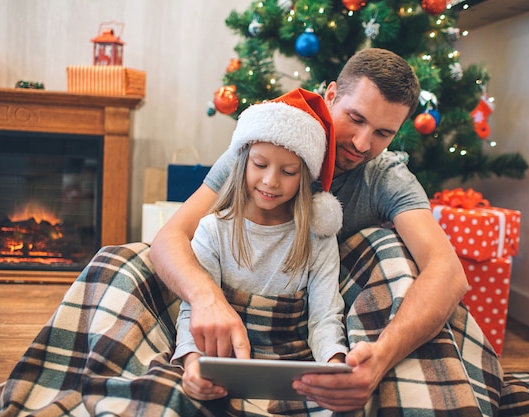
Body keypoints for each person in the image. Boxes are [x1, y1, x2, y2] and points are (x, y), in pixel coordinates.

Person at [150, 47, 469, 412]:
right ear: (331, 95)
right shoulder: (266, 141)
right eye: (355, 118)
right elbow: (170, 237)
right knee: (122, 261)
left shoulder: (387, 178)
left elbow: (447, 272)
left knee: (392, 252)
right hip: (233, 291)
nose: (363, 144)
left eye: (383, 133)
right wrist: (207, 299)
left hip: (324, 307)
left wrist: (380, 357)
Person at [172, 88, 349, 401]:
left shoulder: (317, 236)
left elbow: (325, 317)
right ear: (242, 163)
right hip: (223, 370)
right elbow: (192, 314)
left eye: (288, 171)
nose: (270, 181)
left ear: (305, 176)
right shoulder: (213, 230)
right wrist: (192, 365)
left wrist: (334, 366)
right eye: (260, 164)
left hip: (294, 367)